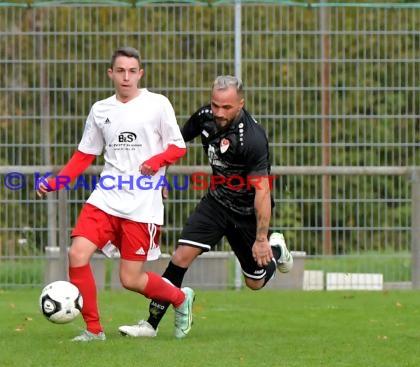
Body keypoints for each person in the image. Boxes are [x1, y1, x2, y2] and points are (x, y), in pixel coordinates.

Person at [37, 46, 195, 342]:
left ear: (140, 74)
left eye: (132, 71)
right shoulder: (101, 110)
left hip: (142, 204)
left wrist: (155, 162)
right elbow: (85, 154)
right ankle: (94, 330)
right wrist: (56, 182)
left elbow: (178, 146)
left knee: (130, 279)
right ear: (111, 73)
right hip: (106, 198)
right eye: (120, 71)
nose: (126, 77)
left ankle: (179, 298)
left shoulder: (157, 104)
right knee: (77, 254)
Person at [118, 75, 293, 339]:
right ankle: (150, 325)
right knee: (179, 258)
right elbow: (174, 145)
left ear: (241, 104)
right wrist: (162, 174)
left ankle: (276, 248)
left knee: (255, 282)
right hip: (216, 203)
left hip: (247, 212)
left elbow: (262, 191)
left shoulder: (253, 139)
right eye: (215, 105)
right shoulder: (204, 117)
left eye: (227, 107)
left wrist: (260, 239)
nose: (219, 113)